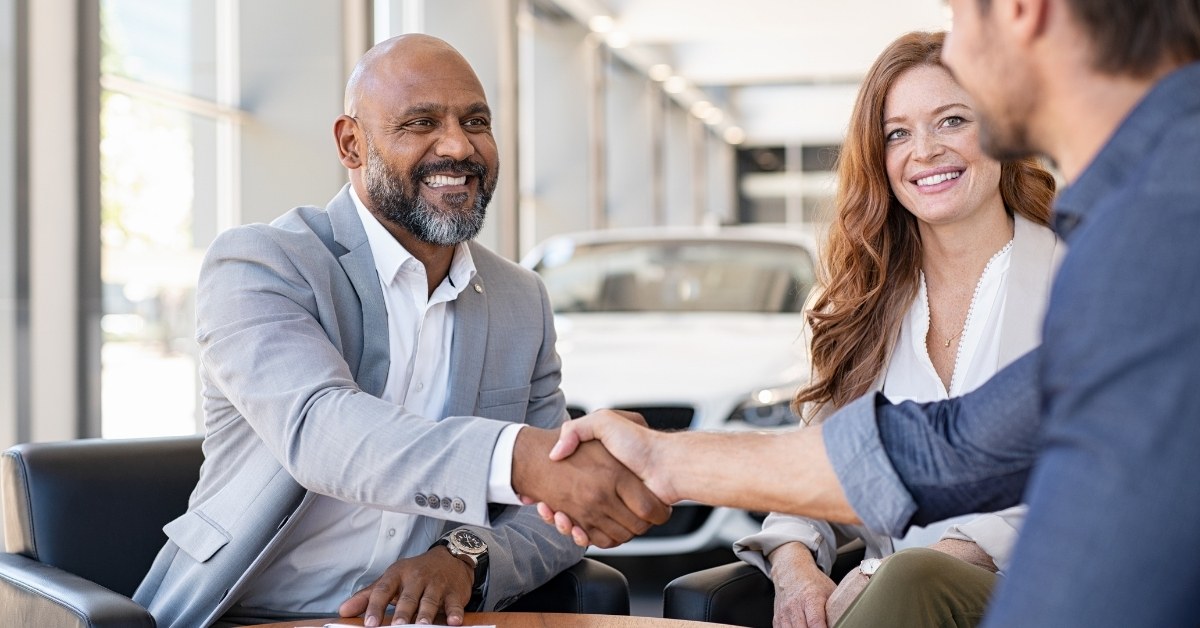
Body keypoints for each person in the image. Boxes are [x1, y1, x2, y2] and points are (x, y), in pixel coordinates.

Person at [541, 0, 1200, 625]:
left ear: (1023, 12)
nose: (927, 148)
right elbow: (949, 449)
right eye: (898, 133)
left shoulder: (1141, 233)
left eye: (957, 16)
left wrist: (912, 568)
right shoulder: (1135, 217)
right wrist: (665, 461)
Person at [133, 34, 669, 628]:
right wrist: (520, 459)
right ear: (352, 144)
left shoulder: (521, 299)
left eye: (476, 121)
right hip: (245, 612)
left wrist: (462, 558)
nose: (459, 146)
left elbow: (553, 507)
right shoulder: (262, 264)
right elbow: (321, 429)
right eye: (420, 123)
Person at [731, 30, 1062, 628]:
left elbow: (1079, 474)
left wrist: (898, 568)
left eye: (953, 120)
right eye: (898, 133)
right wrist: (793, 560)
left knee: (913, 576)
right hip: (884, 604)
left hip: (1040, 593)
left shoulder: (1074, 274)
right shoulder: (866, 299)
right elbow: (817, 459)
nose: (925, 151)